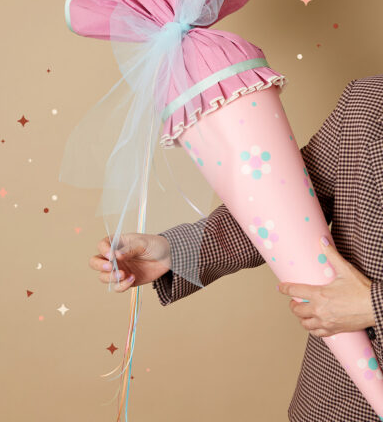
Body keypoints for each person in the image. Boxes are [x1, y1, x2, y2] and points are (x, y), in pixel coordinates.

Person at [89, 75, 383, 421]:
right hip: (343, 403)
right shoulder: (369, 103)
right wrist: (173, 251)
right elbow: (286, 207)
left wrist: (372, 306)